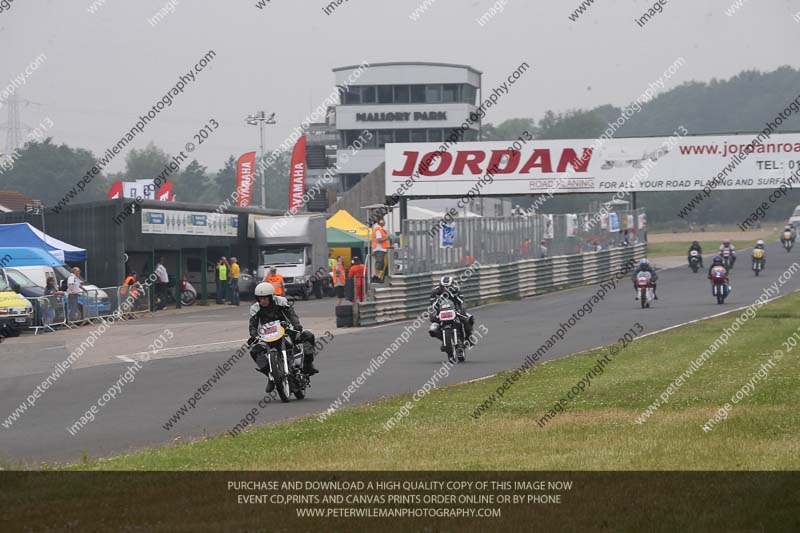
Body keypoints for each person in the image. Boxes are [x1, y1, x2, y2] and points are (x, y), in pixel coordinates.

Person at [248, 282, 318, 390]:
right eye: (260, 298)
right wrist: (253, 335)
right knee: (254, 351)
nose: (263, 301)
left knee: (308, 335)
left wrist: (296, 325)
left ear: (271, 297)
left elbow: (291, 314)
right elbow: (253, 325)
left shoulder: (281, 301)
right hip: (267, 336)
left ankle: (308, 365)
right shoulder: (255, 308)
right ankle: (270, 376)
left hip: (286, 331)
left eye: (265, 298)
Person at [428, 275, 474, 346]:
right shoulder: (435, 292)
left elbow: (462, 302)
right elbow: (432, 305)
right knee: (432, 329)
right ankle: (444, 340)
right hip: (440, 312)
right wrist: (434, 315)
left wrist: (462, 310)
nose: (445, 289)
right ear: (440, 286)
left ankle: (468, 337)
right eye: (443, 287)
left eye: (448, 287)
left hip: (455, 310)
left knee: (469, 319)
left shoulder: (456, 290)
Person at [371, 218, 390, 283]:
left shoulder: (381, 230)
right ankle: (375, 277)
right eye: (383, 221)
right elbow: (379, 240)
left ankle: (377, 277)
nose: (385, 222)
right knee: (379, 263)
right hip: (379, 248)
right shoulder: (378, 230)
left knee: (381, 263)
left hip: (381, 249)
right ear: (380, 222)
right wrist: (387, 237)